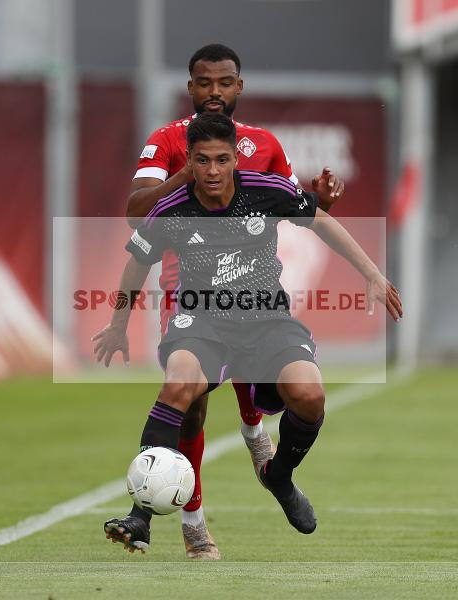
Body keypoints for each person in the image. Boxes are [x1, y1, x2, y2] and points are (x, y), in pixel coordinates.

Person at [95, 112, 402, 553]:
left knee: (310, 396)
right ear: (191, 164)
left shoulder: (266, 190)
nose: (213, 171)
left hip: (266, 319)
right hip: (202, 322)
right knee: (179, 385)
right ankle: (140, 517)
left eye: (222, 160)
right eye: (202, 161)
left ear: (236, 160)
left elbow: (321, 220)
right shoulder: (171, 208)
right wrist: (117, 324)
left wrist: (372, 274)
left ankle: (278, 477)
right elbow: (136, 264)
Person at [122, 43, 345, 560]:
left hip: (249, 285)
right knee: (191, 403)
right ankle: (194, 522)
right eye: (204, 84)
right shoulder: (167, 141)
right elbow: (136, 216)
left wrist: (323, 202)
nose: (214, 93)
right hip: (187, 286)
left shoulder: (264, 145)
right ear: (190, 87)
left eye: (224, 84)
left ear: (239, 88)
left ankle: (253, 430)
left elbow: (293, 204)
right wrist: (186, 174)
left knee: (265, 358)